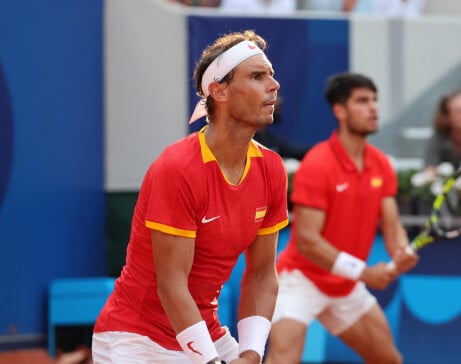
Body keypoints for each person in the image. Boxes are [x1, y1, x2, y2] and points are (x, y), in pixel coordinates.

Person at [92, 30, 289, 364]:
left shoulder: (271, 168)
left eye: (270, 74)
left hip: (204, 332)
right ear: (219, 91)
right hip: (135, 340)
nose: (274, 85)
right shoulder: (178, 168)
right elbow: (171, 285)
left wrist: (251, 353)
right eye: (257, 76)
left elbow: (261, 274)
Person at [265, 72, 418, 364]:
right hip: (301, 278)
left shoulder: (381, 164)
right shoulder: (318, 164)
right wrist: (363, 272)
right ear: (340, 111)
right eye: (362, 101)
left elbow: (392, 224)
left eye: (374, 100)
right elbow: (308, 241)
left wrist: (400, 250)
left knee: (389, 360)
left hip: (345, 286)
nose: (373, 108)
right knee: (282, 359)